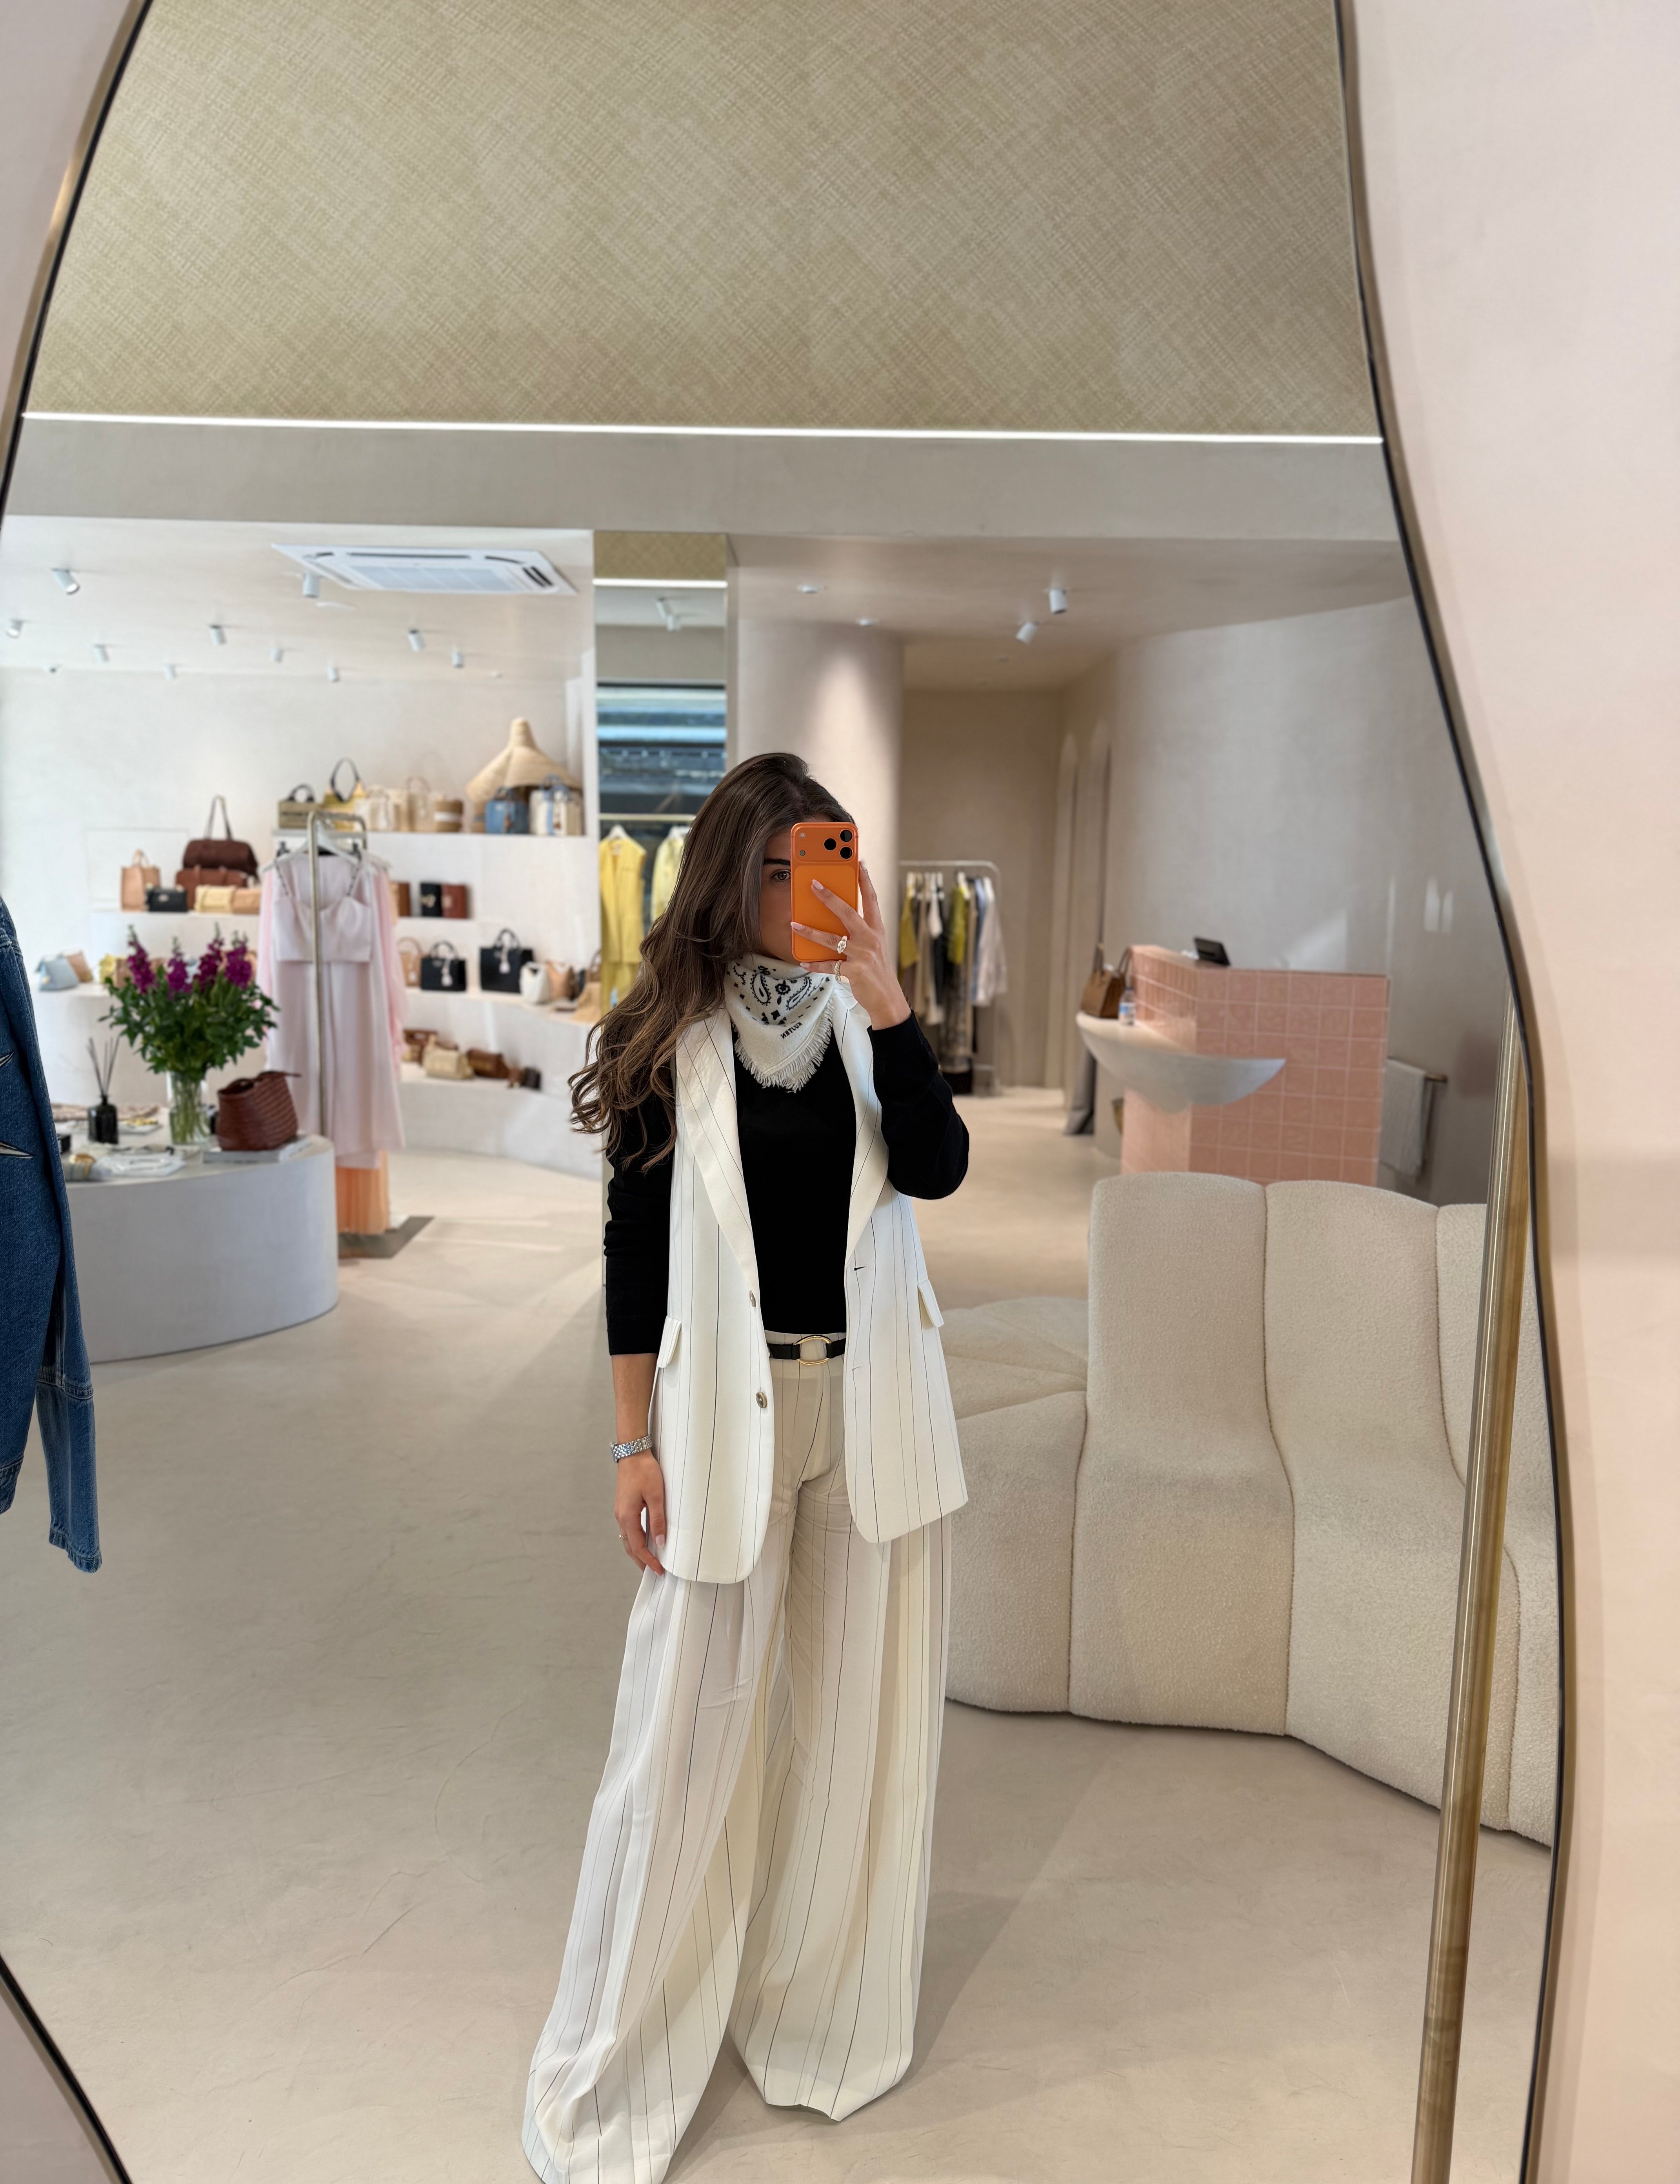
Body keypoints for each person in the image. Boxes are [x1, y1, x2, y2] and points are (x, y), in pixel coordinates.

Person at [524, 751, 969, 2184]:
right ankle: (616, 2068)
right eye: (772, 870)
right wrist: (629, 1440)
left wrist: (893, 1008)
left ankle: (819, 2022)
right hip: (724, 1415)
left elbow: (939, 1168)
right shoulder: (671, 1029)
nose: (797, 896)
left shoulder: (866, 1020)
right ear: (726, 876)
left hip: (870, 1410)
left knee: (853, 1740)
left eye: (819, 863)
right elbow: (631, 1249)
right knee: (679, 1741)